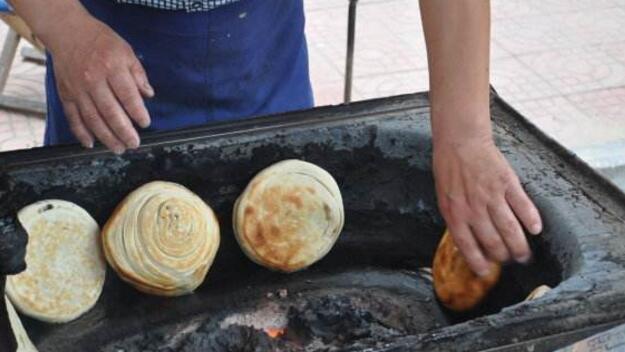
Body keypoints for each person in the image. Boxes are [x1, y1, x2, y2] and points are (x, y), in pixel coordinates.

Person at [10, 0, 543, 275]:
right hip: (104, 67)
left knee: (281, 248)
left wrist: (465, 135)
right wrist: (64, 26)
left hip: (263, 55)